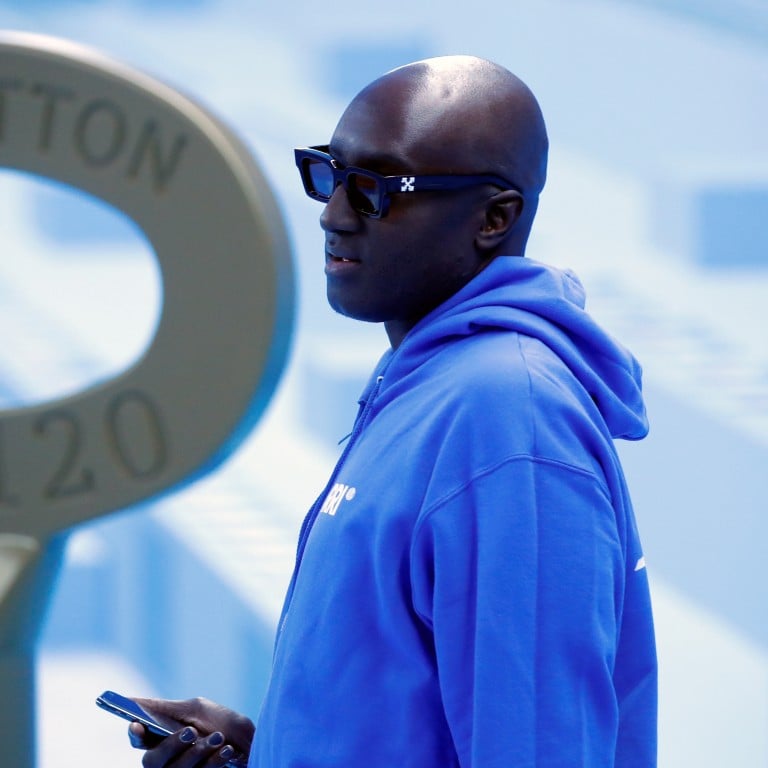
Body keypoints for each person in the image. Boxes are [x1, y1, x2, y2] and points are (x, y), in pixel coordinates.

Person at [128, 54, 657, 767]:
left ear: (494, 218)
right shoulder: (430, 382)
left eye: (378, 188)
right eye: (331, 174)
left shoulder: (509, 421)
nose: (334, 213)